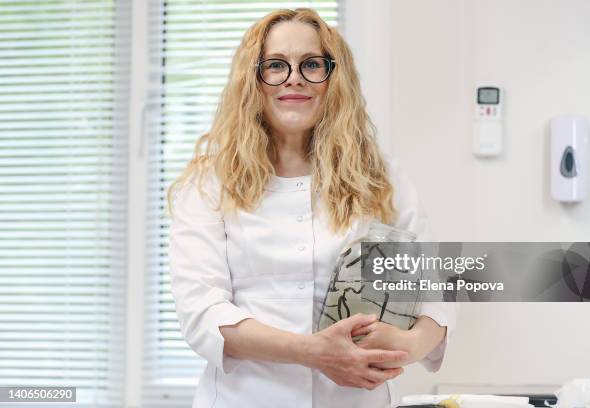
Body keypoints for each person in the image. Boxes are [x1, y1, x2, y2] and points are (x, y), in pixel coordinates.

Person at [167, 8, 456, 408]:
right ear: (253, 79)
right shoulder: (210, 183)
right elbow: (202, 311)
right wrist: (313, 352)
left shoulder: (381, 178)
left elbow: (435, 292)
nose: (294, 78)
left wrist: (405, 346)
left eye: (312, 64)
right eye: (275, 65)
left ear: (334, 78)